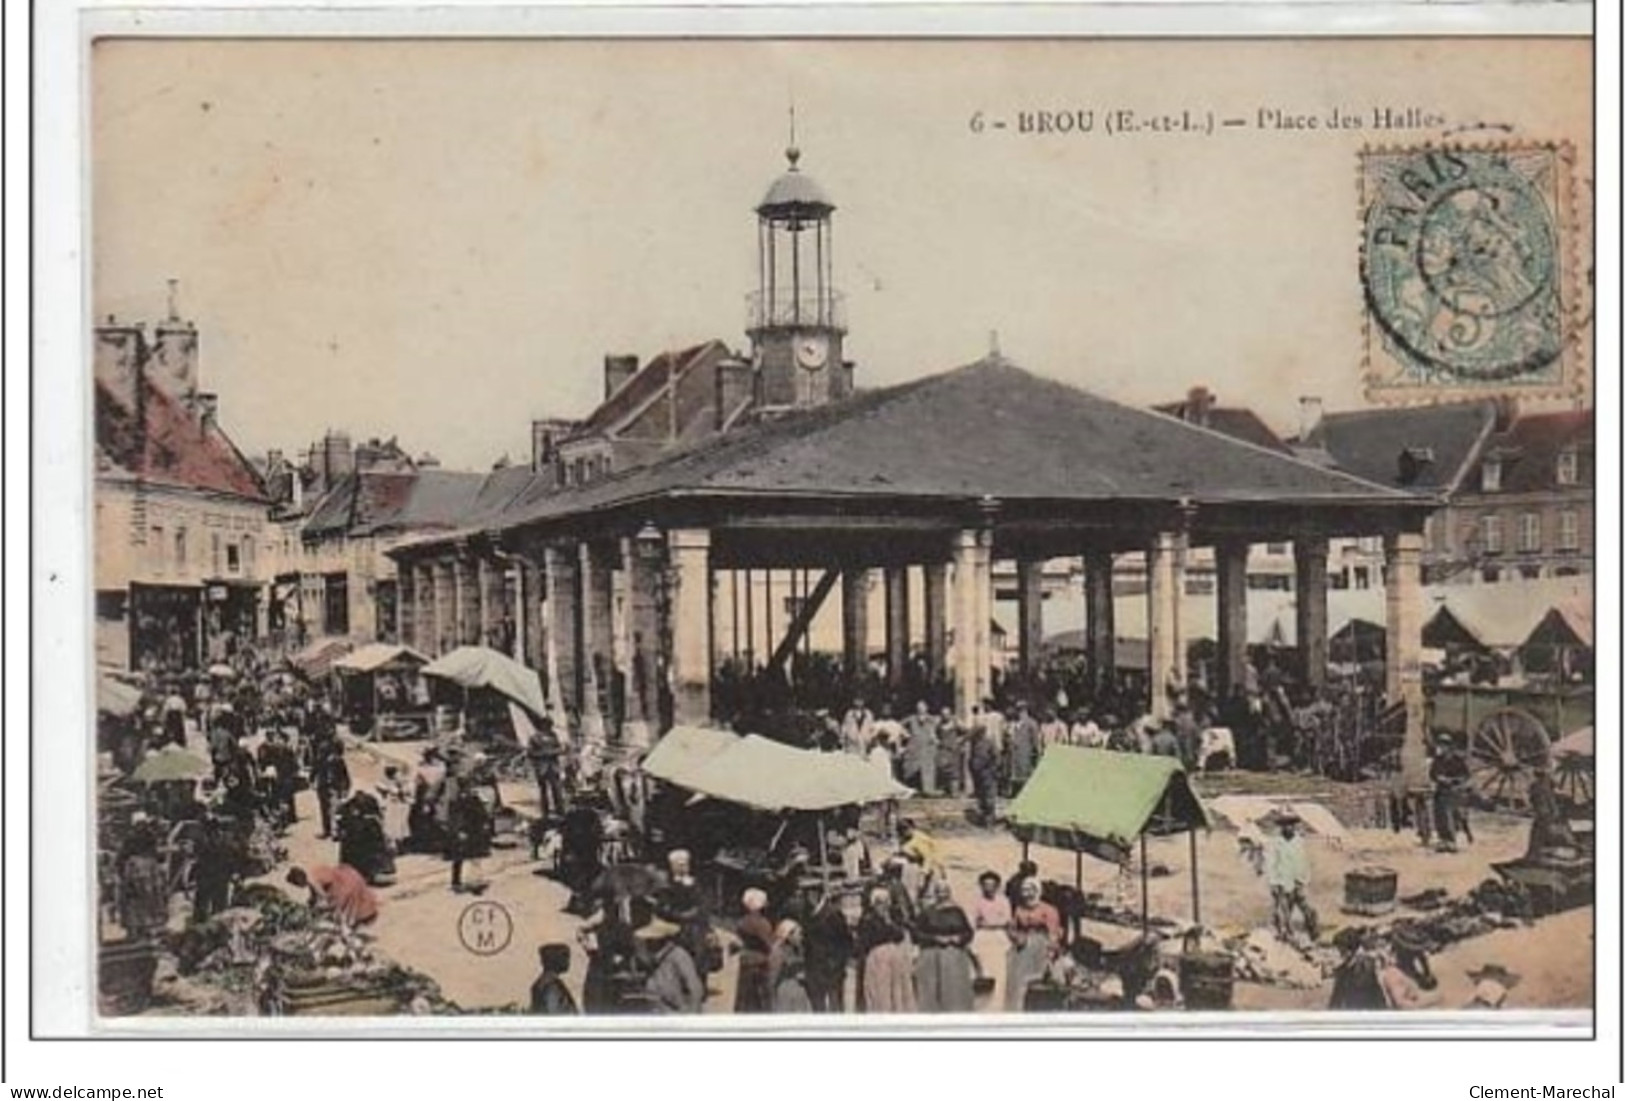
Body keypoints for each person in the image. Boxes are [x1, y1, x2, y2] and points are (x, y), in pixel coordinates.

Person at [914, 880, 976, 1012]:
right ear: (935, 893)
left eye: (945, 891)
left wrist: (959, 938)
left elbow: (969, 932)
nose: (942, 894)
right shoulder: (928, 912)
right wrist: (935, 938)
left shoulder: (957, 911)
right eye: (939, 891)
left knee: (955, 990)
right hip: (933, 955)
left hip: (955, 956)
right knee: (935, 991)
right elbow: (917, 934)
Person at [856, 885, 916, 1013]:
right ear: (874, 904)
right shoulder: (868, 920)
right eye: (880, 903)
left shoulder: (891, 919)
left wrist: (889, 923)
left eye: (886, 902)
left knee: (896, 990)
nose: (884, 906)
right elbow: (869, 939)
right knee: (881, 991)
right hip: (878, 959)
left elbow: (899, 935)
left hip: (893, 960)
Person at [1006, 877, 1062, 1011]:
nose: (1027, 893)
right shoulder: (1019, 909)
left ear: (1037, 891)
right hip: (1022, 946)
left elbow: (1054, 932)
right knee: (1018, 980)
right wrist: (1016, 937)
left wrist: (1051, 951)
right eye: (1024, 890)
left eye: (1030, 890)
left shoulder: (1049, 909)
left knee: (1038, 980)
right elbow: (1012, 927)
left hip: (1041, 946)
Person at [1264, 810, 1318, 942]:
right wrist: (1274, 883)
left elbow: (1303, 862)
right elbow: (1271, 863)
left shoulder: (1299, 842)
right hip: (1282, 883)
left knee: (1308, 910)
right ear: (1281, 827)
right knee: (1283, 912)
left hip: (1297, 882)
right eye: (1285, 825)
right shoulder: (1275, 843)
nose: (1289, 827)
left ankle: (1313, 933)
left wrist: (1303, 880)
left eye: (1291, 825)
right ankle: (1284, 936)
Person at [115, 811, 170, 939]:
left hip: (137, 871)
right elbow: (157, 855)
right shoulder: (150, 837)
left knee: (135, 901)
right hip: (147, 872)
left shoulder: (131, 838)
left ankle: (138, 929)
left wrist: (120, 869)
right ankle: (146, 928)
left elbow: (122, 856)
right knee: (146, 900)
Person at [640, 918, 705, 1014]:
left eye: (650, 940)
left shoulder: (678, 955)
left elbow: (695, 987)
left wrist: (691, 1014)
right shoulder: (654, 959)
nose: (647, 943)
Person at [804, 889, 854, 1013]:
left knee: (835, 1005)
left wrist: (837, 963)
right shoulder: (809, 913)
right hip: (815, 970)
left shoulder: (833, 914)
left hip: (831, 970)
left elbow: (845, 941)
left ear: (814, 895)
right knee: (818, 1007)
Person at [286, 863, 379, 928]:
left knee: (338, 911)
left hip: (344, 885)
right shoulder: (311, 871)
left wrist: (314, 910)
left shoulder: (312, 881)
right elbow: (315, 896)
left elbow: (323, 898)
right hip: (347, 875)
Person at [445, 774, 492, 895]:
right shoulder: (464, 799)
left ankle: (467, 880)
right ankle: (462, 881)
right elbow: (458, 817)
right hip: (468, 830)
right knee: (465, 856)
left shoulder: (462, 798)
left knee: (468, 856)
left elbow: (481, 813)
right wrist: (460, 830)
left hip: (471, 830)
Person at [733, 887, 775, 1013]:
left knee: (744, 1000)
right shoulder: (761, 923)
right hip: (759, 963)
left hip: (745, 962)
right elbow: (769, 944)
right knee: (761, 1001)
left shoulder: (742, 921)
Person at [1430, 735, 1471, 853]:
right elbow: (1432, 774)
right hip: (1441, 790)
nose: (1442, 748)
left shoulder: (1458, 760)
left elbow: (1465, 775)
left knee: (1451, 815)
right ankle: (1443, 839)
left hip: (1454, 791)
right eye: (1440, 745)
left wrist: (1454, 780)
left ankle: (1451, 840)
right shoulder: (1438, 760)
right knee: (1439, 815)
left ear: (1449, 747)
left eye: (1444, 745)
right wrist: (1439, 779)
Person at [768, 919, 815, 1013]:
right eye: (798, 934)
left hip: (801, 992)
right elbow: (773, 976)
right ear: (788, 936)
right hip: (785, 992)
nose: (801, 937)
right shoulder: (779, 952)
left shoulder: (799, 950)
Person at [526, 718, 567, 820]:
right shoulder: (534, 738)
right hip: (542, 767)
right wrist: (545, 754)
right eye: (546, 725)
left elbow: (558, 748)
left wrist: (559, 751)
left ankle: (560, 811)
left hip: (553, 766)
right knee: (543, 790)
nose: (548, 727)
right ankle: (545, 812)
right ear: (542, 725)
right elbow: (530, 753)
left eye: (549, 725)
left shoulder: (553, 736)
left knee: (557, 789)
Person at [311, 738, 351, 841]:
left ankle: (334, 832)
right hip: (323, 787)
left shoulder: (338, 760)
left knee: (334, 810)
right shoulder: (320, 760)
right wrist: (312, 781)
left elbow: (345, 775)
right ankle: (327, 830)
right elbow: (314, 771)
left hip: (333, 787)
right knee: (324, 809)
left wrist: (346, 788)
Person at [529, 943, 580, 1015]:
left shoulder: (546, 983)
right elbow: (555, 1014)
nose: (568, 962)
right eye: (565, 956)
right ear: (554, 959)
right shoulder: (551, 986)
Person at [902, 700, 939, 796]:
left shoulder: (932, 719)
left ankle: (928, 790)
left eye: (922, 707)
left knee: (928, 768)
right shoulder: (911, 719)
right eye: (919, 707)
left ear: (926, 708)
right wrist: (906, 735)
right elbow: (900, 725)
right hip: (915, 747)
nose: (921, 709)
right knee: (912, 769)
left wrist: (935, 738)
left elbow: (940, 729)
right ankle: (913, 790)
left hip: (927, 747)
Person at [966, 722, 1000, 824]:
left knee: (989, 797)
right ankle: (983, 817)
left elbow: (997, 757)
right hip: (978, 774)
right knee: (981, 796)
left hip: (988, 772)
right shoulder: (974, 743)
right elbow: (972, 757)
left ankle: (990, 819)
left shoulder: (989, 742)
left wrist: (993, 769)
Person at [376, 764, 413, 852]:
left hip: (400, 807)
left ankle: (399, 845)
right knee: (392, 826)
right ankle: (394, 846)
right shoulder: (386, 784)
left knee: (399, 825)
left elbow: (406, 792)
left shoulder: (404, 782)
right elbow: (381, 788)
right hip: (392, 806)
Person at [1007, 704, 1040, 794]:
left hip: (1026, 752)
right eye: (1018, 710)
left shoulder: (1031, 723)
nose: (1019, 713)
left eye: (1021, 710)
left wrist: (1036, 752)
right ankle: (1015, 791)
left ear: (1025, 711)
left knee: (1025, 773)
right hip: (1015, 753)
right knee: (1015, 773)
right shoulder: (1014, 724)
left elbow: (1035, 740)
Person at [935, 706, 964, 797]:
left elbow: (966, 731)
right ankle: (946, 789)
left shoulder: (956, 722)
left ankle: (954, 791)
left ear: (950, 714)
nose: (945, 716)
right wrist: (937, 741)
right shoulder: (939, 724)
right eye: (943, 715)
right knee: (943, 769)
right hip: (943, 749)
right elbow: (935, 734)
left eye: (947, 714)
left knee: (954, 770)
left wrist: (960, 740)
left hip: (953, 749)